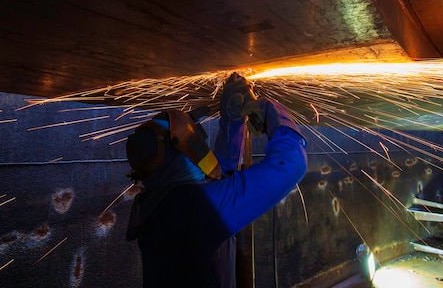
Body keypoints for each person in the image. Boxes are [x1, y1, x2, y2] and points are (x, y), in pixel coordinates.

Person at [125, 72, 307, 288]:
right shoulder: (194, 210)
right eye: (193, 140)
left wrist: (233, 121)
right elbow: (290, 164)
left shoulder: (162, 205)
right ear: (179, 147)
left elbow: (218, 181)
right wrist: (273, 113)